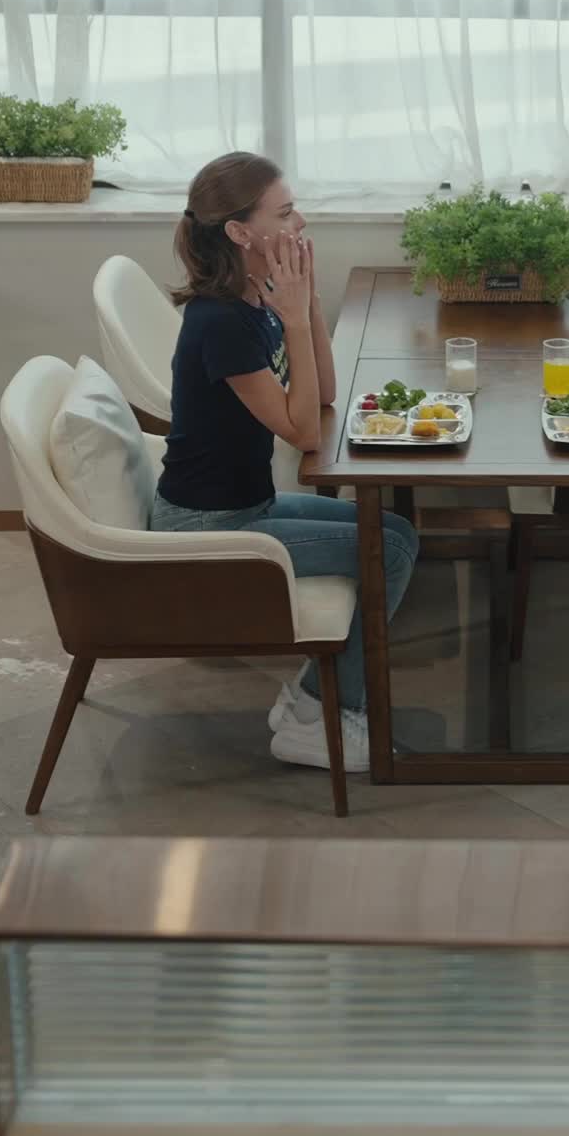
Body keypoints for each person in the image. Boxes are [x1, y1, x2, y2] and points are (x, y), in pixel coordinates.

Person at [151, 151, 418, 775]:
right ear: (240, 232)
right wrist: (293, 318)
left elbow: (323, 395)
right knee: (388, 552)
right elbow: (301, 432)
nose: (300, 223)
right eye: (286, 212)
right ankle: (323, 716)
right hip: (208, 528)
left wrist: (309, 303)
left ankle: (309, 701)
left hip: (248, 504)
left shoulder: (252, 299)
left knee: (399, 535)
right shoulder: (220, 322)